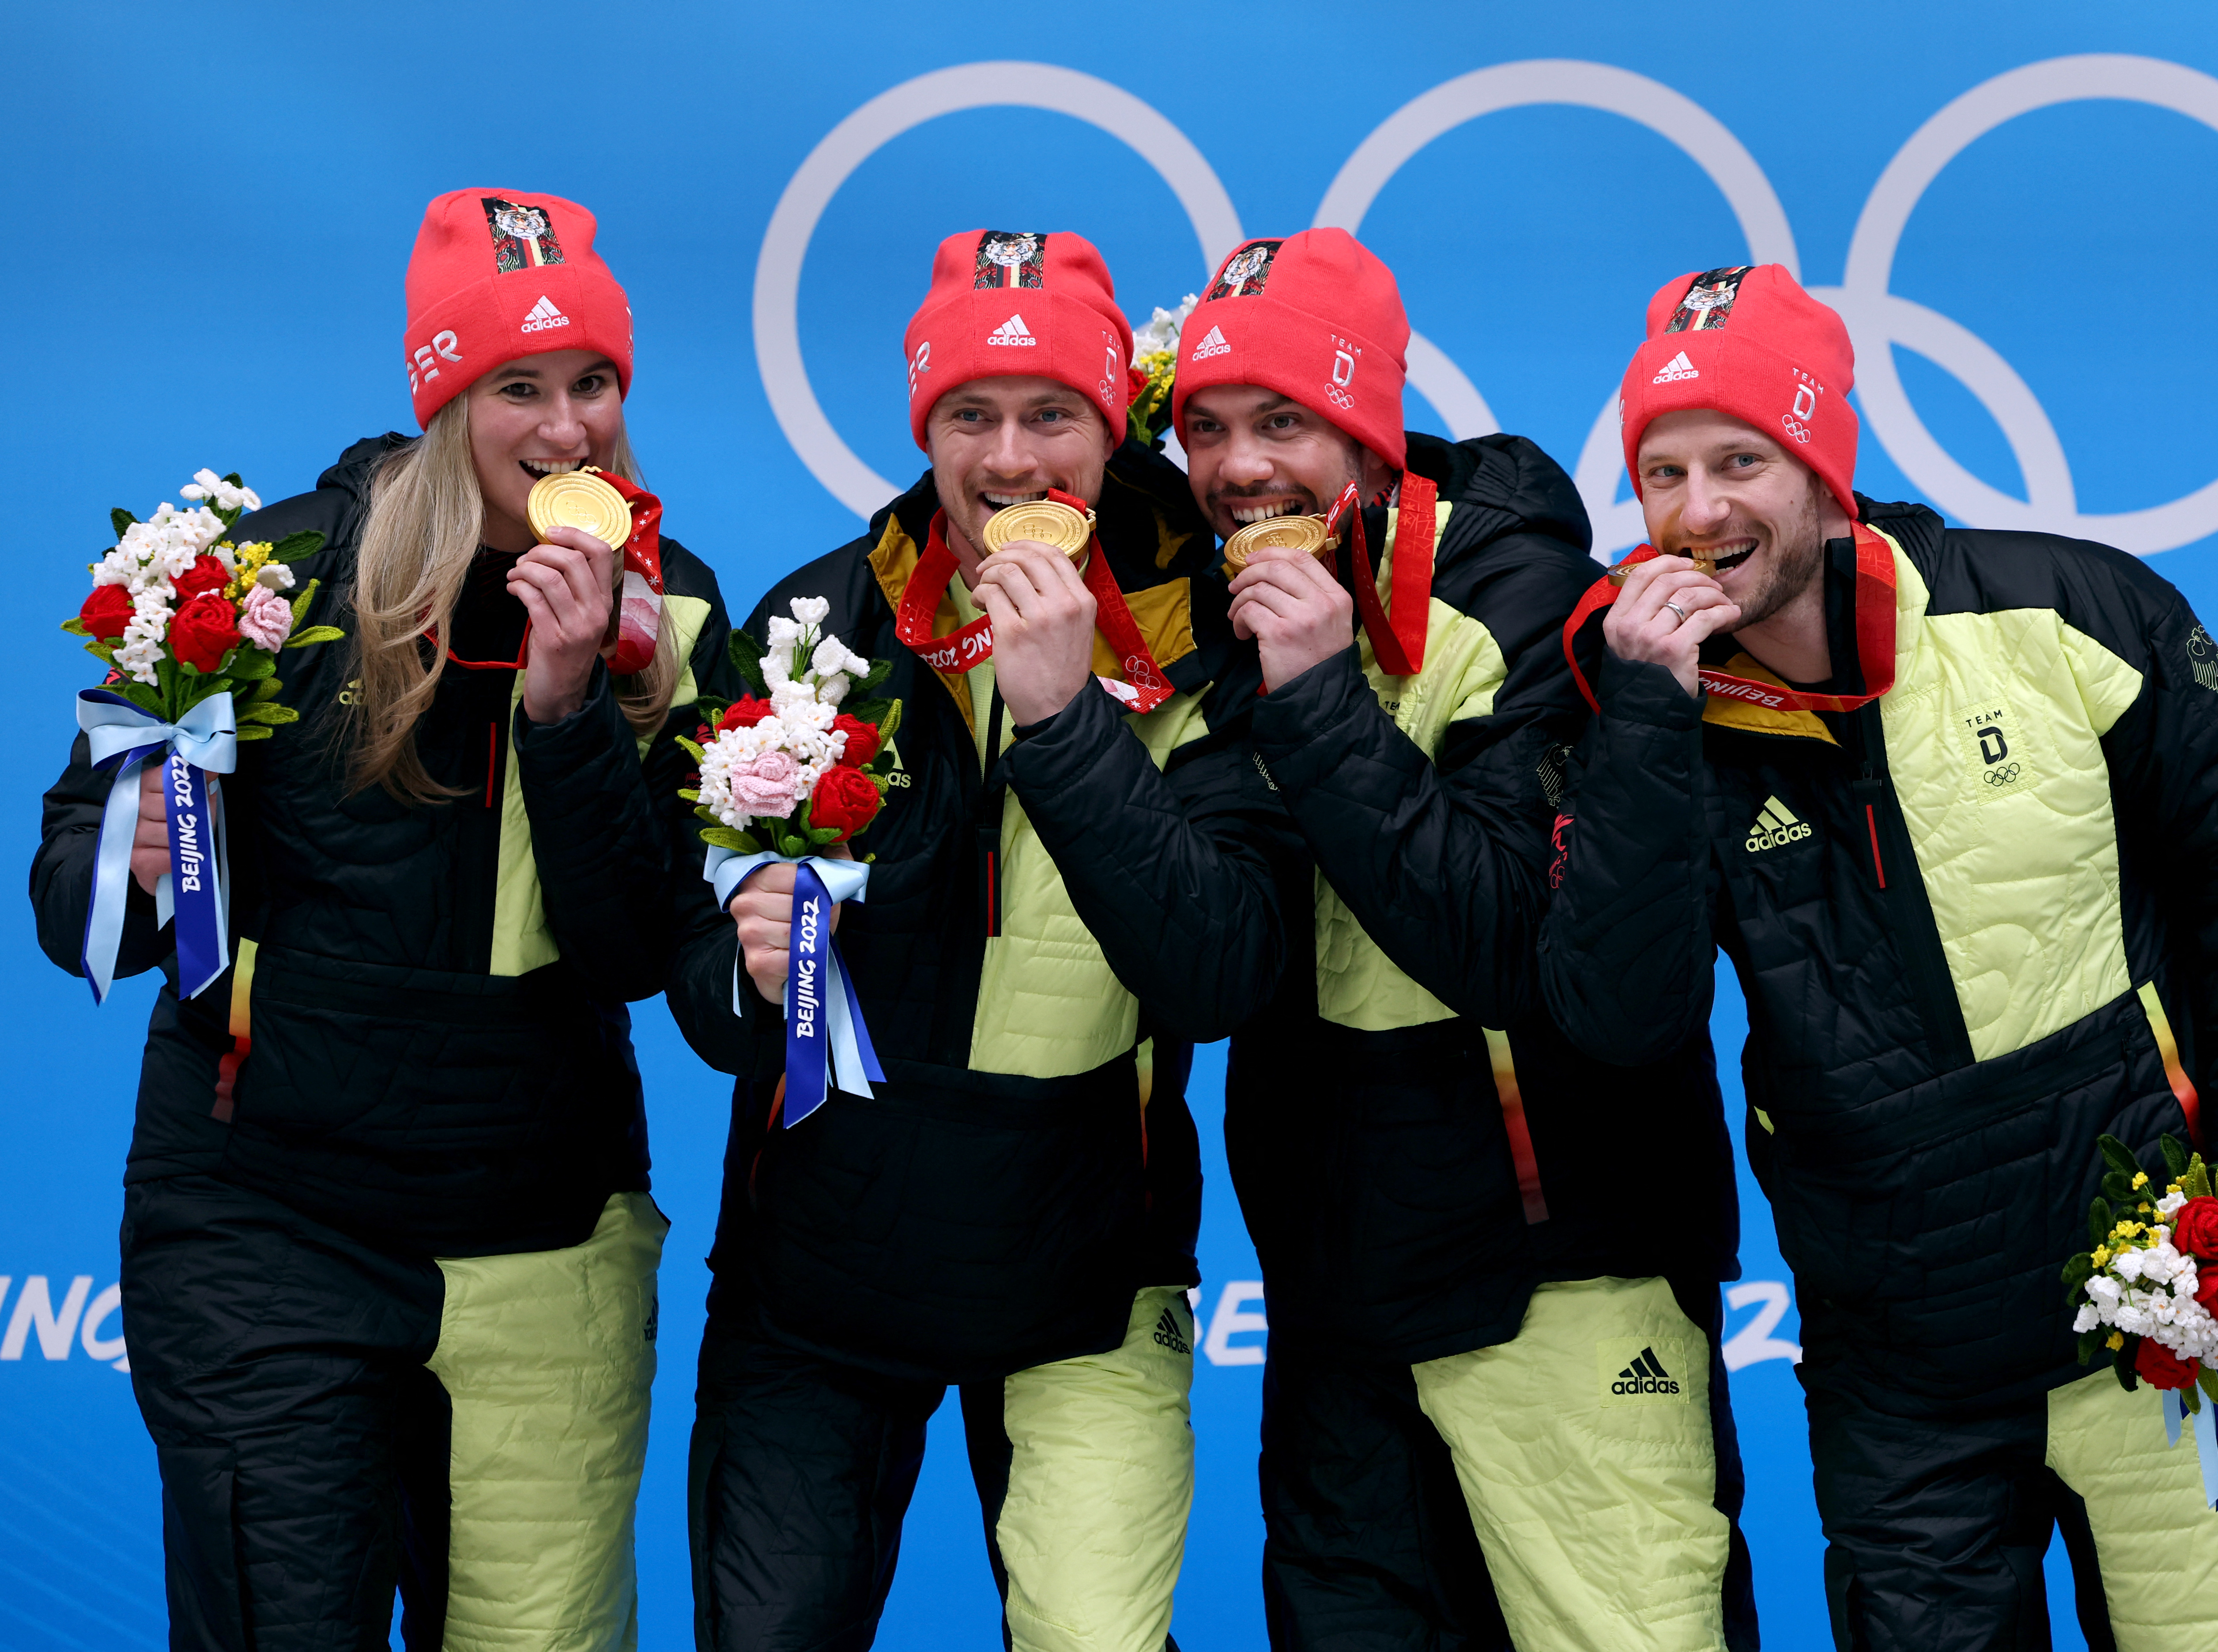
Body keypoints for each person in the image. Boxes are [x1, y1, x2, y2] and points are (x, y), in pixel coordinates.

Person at [1540, 263, 2218, 1651]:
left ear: (1822, 466)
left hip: (2168, 1309)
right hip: (1897, 1373)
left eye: (1741, 458)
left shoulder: (2065, 611)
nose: (1699, 509)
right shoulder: (1638, 712)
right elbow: (1620, 1017)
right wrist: (1641, 733)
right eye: (1660, 474)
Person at [30, 187, 733, 1650]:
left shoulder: (679, 617)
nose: (565, 429)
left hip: (541, 1231)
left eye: (592, 383)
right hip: (271, 1228)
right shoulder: (257, 586)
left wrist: (567, 711)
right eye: (515, 388)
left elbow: (638, 954)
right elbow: (71, 882)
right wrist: (138, 860)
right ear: (441, 396)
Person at [1033, 226, 1754, 1652]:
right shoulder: (1222, 610)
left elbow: (1503, 947)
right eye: (1209, 430)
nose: (1241, 467)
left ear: (1365, 426)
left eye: (1284, 421)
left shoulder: (1522, 595)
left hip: (1562, 1277)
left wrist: (1313, 701)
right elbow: (1213, 971)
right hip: (1335, 1299)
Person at [671, 228, 1275, 1652]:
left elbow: (1219, 972)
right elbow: (702, 998)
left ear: (1112, 421)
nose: (1012, 459)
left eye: (1051, 414)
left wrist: (1069, 719)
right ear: (925, 427)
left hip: (1083, 1277)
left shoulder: (1208, 635)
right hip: (813, 1283)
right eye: (971, 416)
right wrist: (742, 967)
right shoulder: (821, 617)